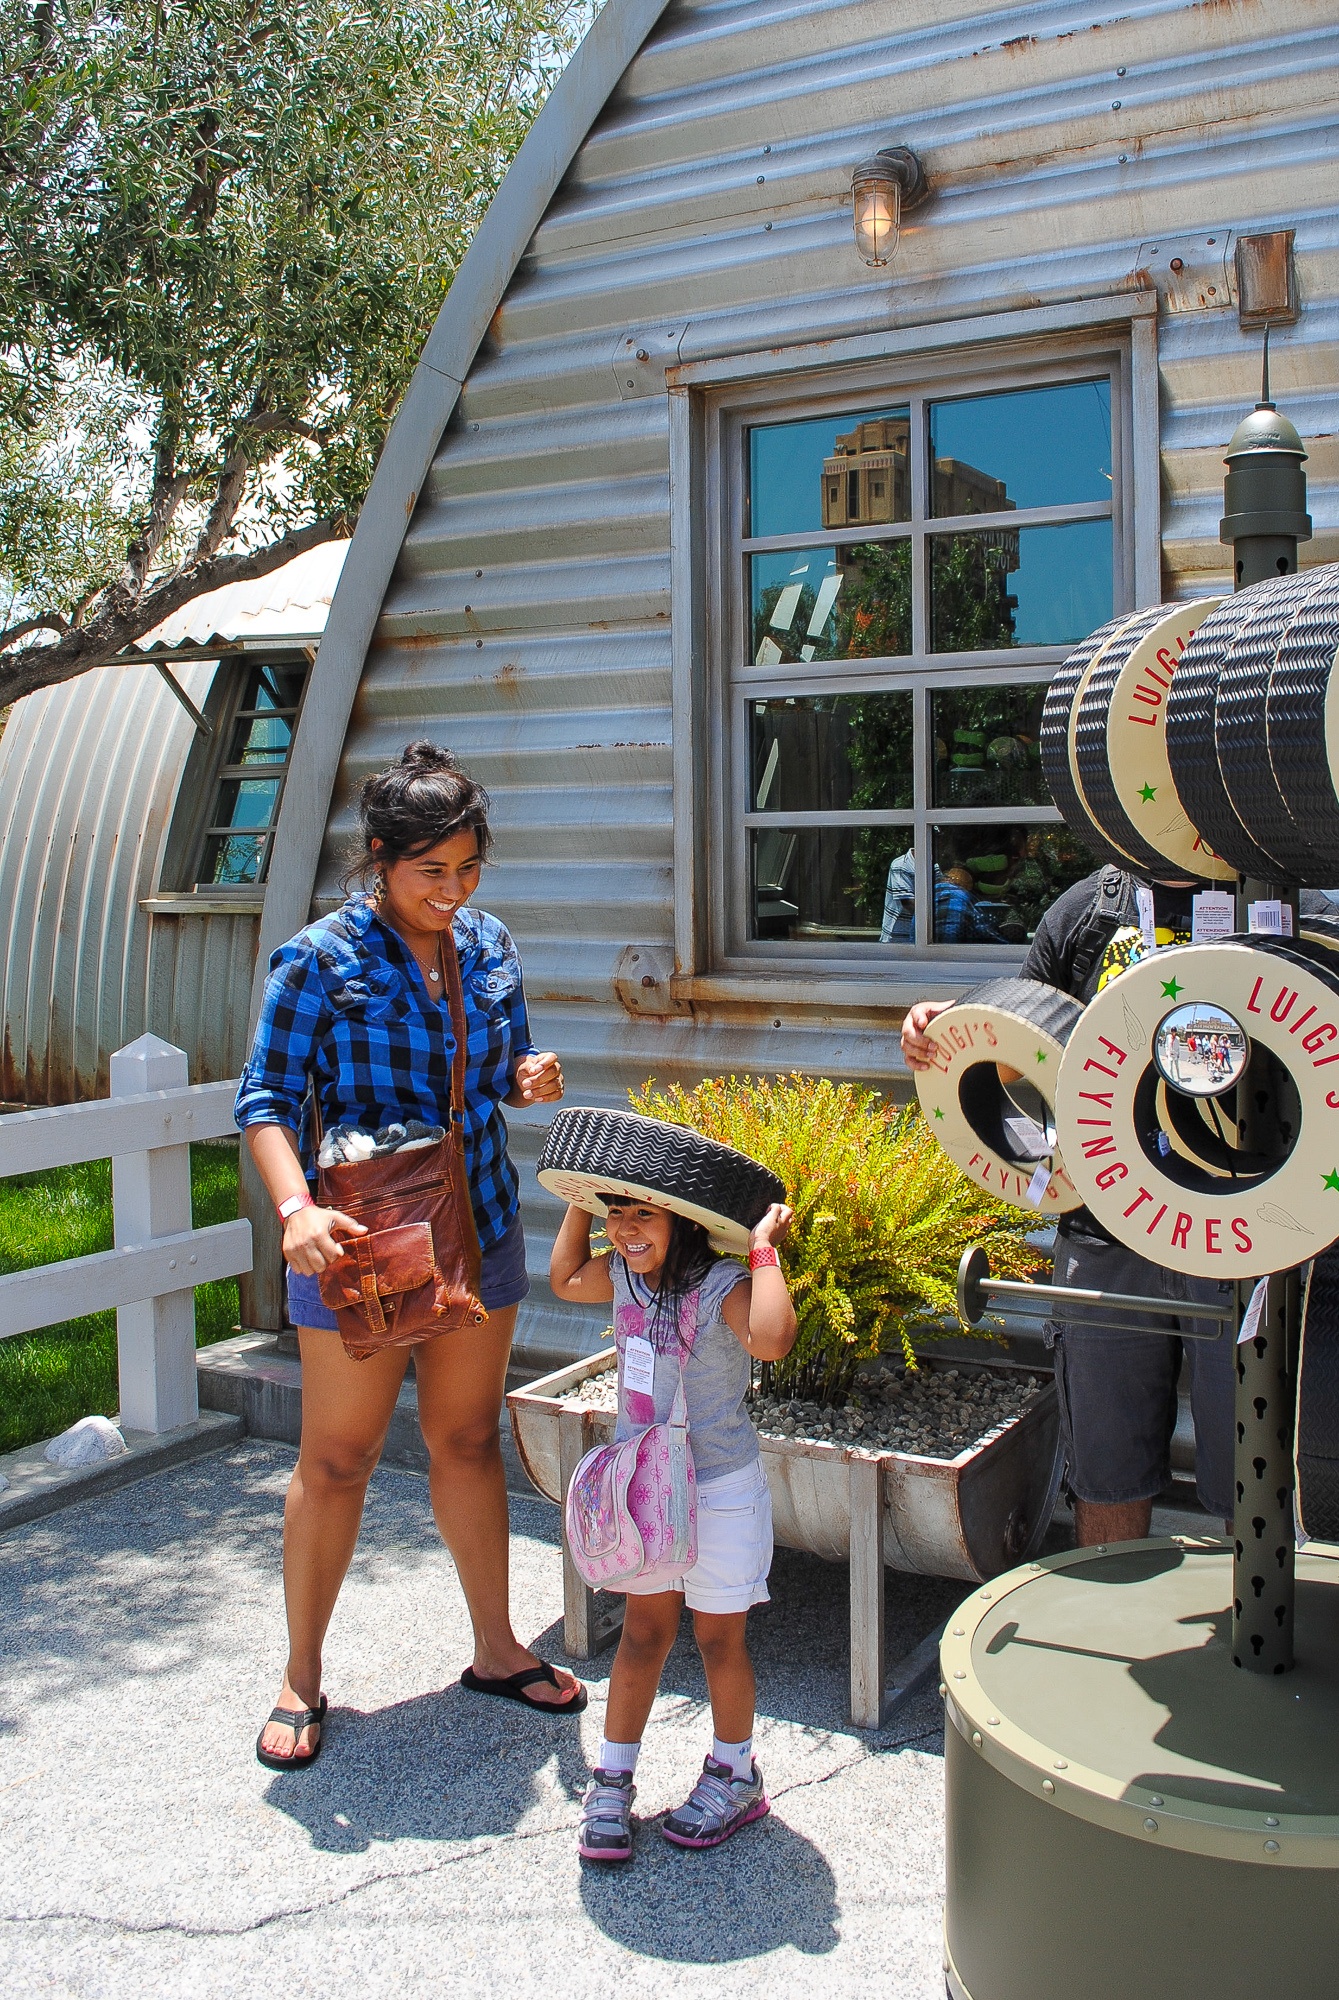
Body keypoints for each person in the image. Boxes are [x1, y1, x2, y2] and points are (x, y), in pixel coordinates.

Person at [237, 741, 583, 1769]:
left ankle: (494, 1646)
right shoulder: (319, 958)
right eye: (431, 870)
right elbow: (260, 1100)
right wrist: (293, 1207)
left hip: (475, 1223)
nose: (453, 890)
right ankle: (301, 1674)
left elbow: (503, 1063)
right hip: (362, 1237)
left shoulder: (487, 943)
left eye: (468, 868)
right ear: (379, 859)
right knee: (337, 1459)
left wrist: (527, 1078)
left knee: (468, 1441)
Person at [901, 861, 1235, 1549]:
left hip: (1233, 1235)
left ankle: (1258, 1640)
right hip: (1102, 1230)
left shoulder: (1272, 894)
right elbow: (1013, 1037)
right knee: (1106, 1470)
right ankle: (1107, 1630)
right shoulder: (1091, 906)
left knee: (1254, 1472)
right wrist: (944, 1026)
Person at [550, 1191, 797, 1861]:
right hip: (646, 1490)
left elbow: (773, 1339)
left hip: (718, 1490)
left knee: (720, 1639)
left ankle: (734, 1772)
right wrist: (576, 1199)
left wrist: (763, 1249)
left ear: (683, 1222)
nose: (625, 1230)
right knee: (642, 1633)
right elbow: (565, 1279)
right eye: (616, 1214)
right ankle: (611, 1778)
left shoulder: (724, 1284)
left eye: (643, 1216)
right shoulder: (621, 1272)